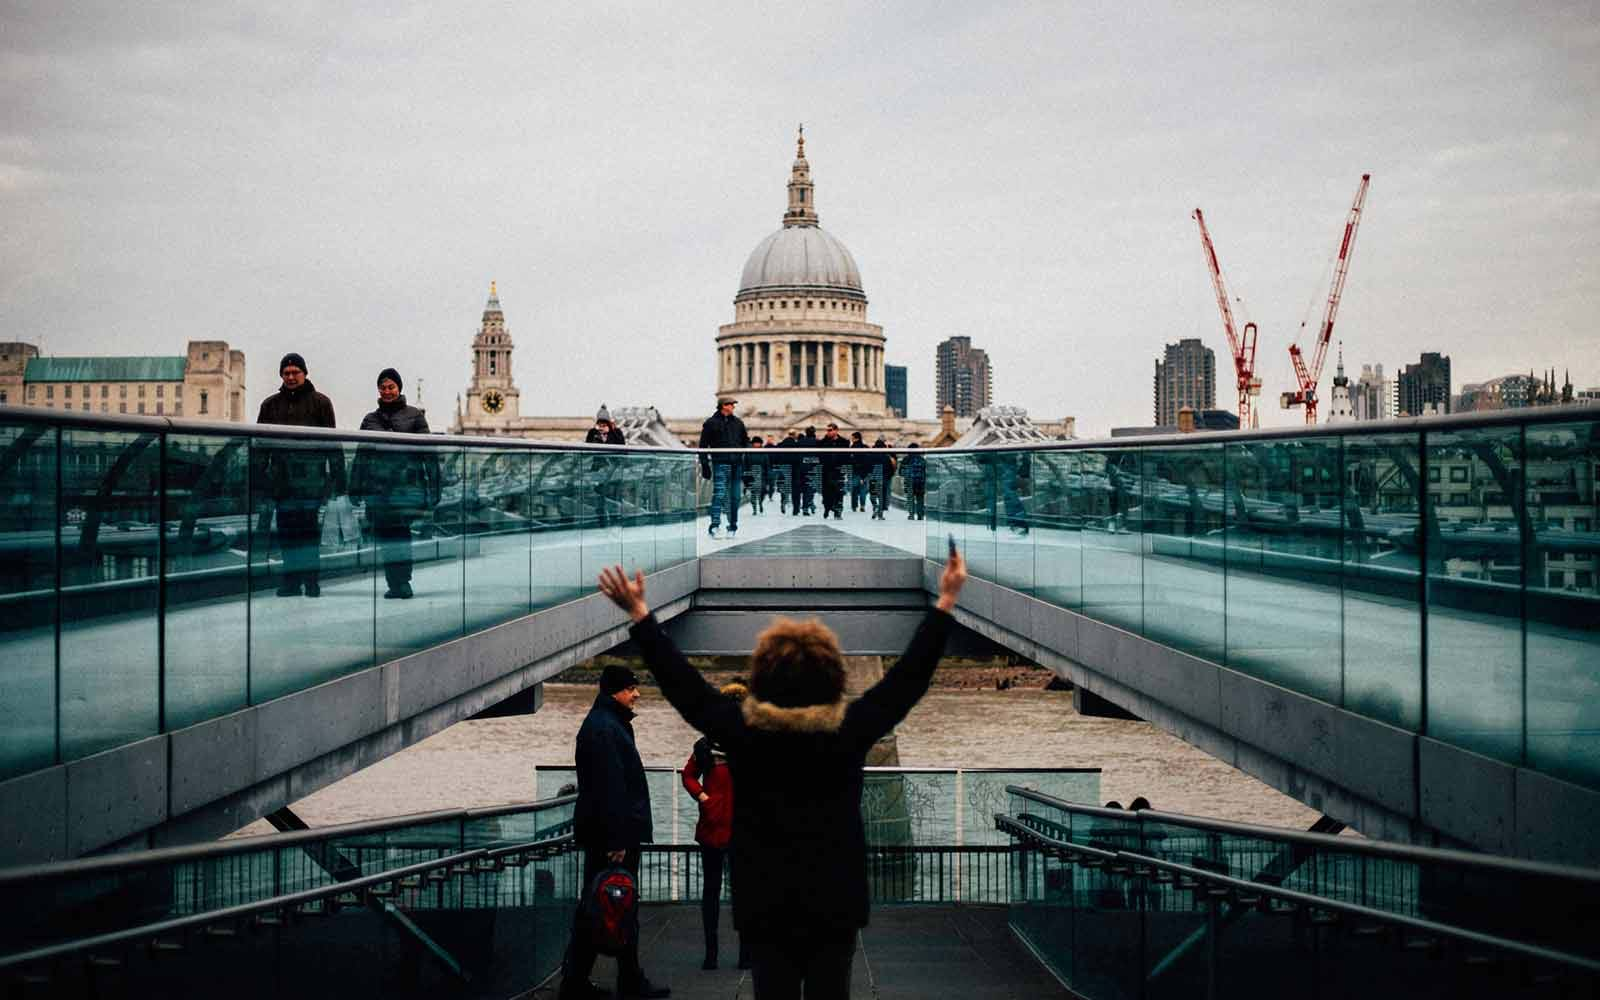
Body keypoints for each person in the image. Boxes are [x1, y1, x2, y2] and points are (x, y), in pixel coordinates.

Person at [596, 548, 968, 999]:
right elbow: (907, 681)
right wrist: (946, 600)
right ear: (833, 677)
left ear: (764, 677)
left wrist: (639, 613)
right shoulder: (848, 731)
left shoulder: (745, 733)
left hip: (766, 906)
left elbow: (686, 688)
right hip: (835, 904)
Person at [560, 664, 670, 1000]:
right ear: (615, 691)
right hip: (612, 837)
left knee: (606, 905)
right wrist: (618, 840)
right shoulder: (606, 728)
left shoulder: (605, 724)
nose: (637, 693)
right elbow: (610, 788)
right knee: (607, 906)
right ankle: (594, 983)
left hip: (608, 833)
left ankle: (594, 981)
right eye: (632, 688)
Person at [257, 352, 342, 597]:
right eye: (287, 373)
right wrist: (260, 479)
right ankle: (293, 582)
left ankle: (311, 581)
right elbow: (262, 446)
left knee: (308, 533)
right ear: (281, 375)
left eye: (295, 372)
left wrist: (339, 481)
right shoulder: (269, 405)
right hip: (282, 482)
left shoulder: (321, 403)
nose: (291, 376)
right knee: (287, 533)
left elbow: (332, 443)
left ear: (305, 373)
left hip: (312, 483)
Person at [350, 368, 438, 600]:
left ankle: (403, 582)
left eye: (391, 387)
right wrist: (354, 487)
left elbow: (429, 452)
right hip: (378, 489)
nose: (387, 391)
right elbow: (361, 455)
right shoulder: (370, 419)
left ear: (399, 388)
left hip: (405, 488)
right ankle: (396, 583)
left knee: (400, 534)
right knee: (386, 536)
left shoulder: (415, 415)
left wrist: (435, 486)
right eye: (383, 387)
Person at [680, 682, 750, 972]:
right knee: (729, 894)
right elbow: (689, 776)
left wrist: (703, 797)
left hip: (731, 828)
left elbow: (688, 777)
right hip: (723, 828)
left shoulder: (708, 743)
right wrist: (704, 796)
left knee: (722, 893)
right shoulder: (709, 745)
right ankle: (725, 954)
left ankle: (727, 955)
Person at [699, 397, 749, 539]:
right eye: (731, 404)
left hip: (736, 464)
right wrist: (705, 465)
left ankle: (732, 526)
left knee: (735, 497)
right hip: (720, 463)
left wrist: (747, 465)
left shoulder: (738, 423)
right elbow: (703, 446)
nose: (733, 406)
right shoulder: (710, 423)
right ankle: (714, 526)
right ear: (723, 406)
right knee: (719, 494)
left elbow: (746, 443)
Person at [817, 424, 849, 520]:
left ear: (836, 430)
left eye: (830, 430)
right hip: (826, 471)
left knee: (839, 492)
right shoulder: (823, 442)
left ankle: (838, 512)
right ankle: (828, 507)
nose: (828, 432)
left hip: (838, 471)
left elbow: (847, 457)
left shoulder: (844, 442)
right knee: (826, 493)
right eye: (827, 430)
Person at [869, 437, 897, 520]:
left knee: (873, 495)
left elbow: (868, 466)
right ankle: (880, 514)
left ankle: (875, 507)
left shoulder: (871, 455)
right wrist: (889, 476)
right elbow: (890, 469)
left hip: (873, 477)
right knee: (881, 496)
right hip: (884, 478)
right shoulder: (886, 457)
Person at [797, 426, 820, 516]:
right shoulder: (817, 442)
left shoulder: (800, 442)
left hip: (802, 468)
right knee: (810, 489)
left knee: (804, 488)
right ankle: (807, 505)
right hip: (813, 468)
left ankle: (806, 505)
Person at [901, 443, 926, 520]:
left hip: (909, 482)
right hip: (920, 482)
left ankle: (911, 515)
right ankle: (920, 515)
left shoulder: (906, 459)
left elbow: (901, 472)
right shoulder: (922, 460)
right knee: (920, 499)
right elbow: (926, 471)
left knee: (910, 499)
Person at [744, 437, 768, 516]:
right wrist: (746, 476)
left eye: (758, 443)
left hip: (762, 474)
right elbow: (746, 465)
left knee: (763, 491)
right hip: (752, 475)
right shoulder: (749, 452)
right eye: (755, 443)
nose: (757, 444)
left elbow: (767, 464)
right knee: (753, 492)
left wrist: (768, 475)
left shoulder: (764, 452)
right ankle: (754, 508)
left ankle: (760, 503)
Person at [848, 432, 870, 512]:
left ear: (856, 438)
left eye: (852, 438)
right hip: (864, 472)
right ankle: (863, 505)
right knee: (863, 490)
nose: (851, 439)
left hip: (855, 472)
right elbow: (868, 461)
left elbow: (850, 461)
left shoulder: (852, 448)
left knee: (854, 490)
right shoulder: (865, 447)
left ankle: (854, 506)